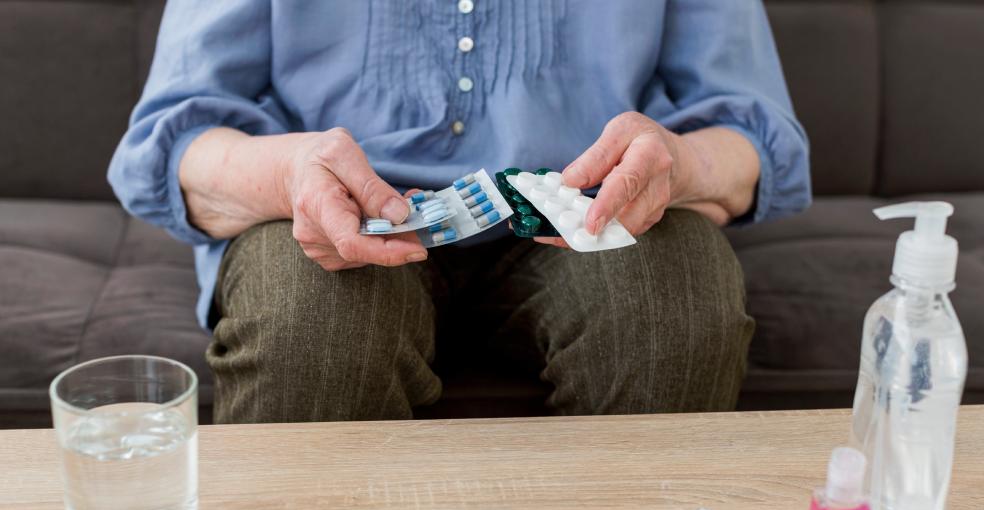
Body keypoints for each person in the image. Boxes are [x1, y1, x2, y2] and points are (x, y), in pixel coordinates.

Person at [109, 1, 811, 423]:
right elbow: (174, 142)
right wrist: (292, 174)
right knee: (312, 320)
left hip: (580, 217)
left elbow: (750, 136)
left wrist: (679, 163)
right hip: (340, 217)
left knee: (672, 299)